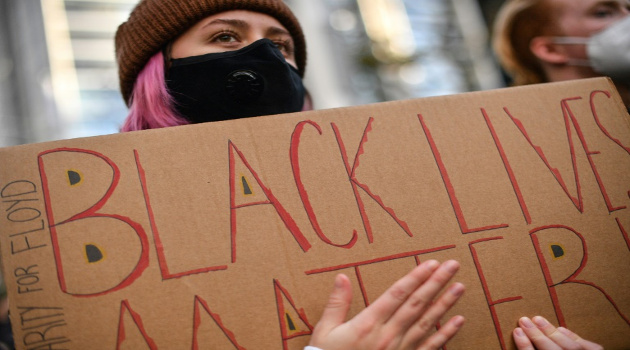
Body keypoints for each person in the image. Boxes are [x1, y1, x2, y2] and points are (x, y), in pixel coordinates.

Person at [115, 1, 602, 348]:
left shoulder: (375, 192)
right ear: (159, 70)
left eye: (281, 46)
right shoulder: (118, 228)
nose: (266, 57)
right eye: (226, 36)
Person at [492, 0, 630, 110]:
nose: (626, 19)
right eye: (603, 13)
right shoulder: (539, 139)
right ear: (550, 50)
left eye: (628, 8)